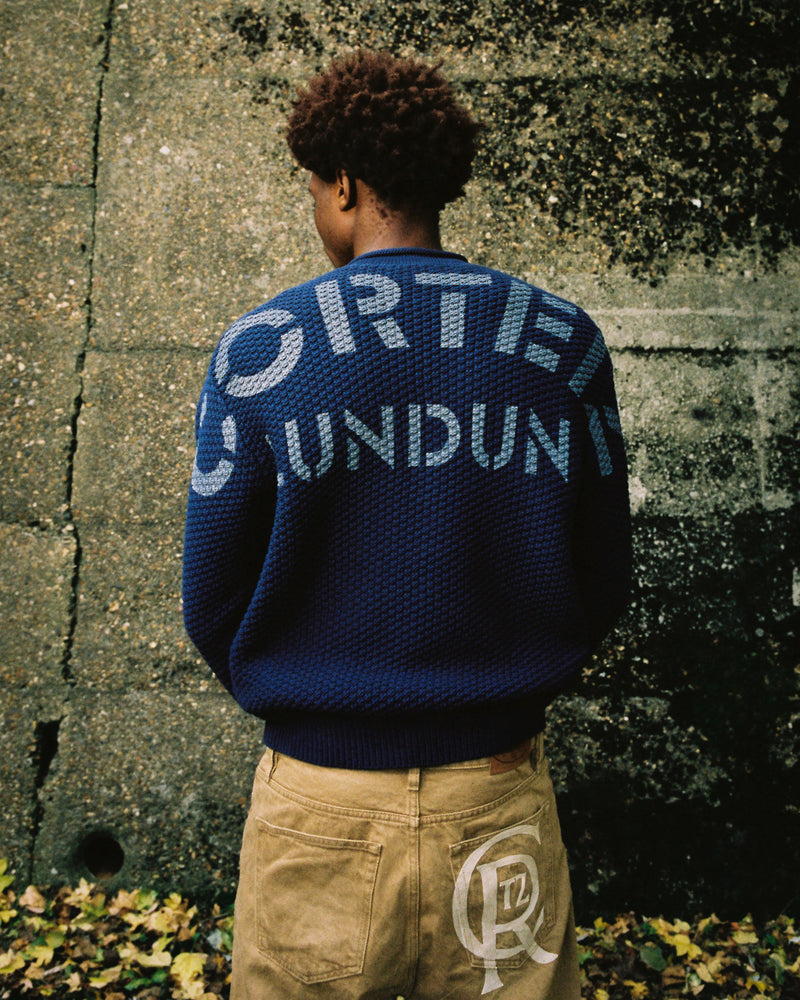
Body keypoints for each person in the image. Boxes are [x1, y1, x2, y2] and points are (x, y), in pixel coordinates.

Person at [182, 49, 631, 1000]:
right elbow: (603, 574)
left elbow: (213, 597)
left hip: (318, 805)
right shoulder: (564, 343)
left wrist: (313, 703)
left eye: (314, 187)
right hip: (498, 798)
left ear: (344, 185)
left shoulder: (259, 351)